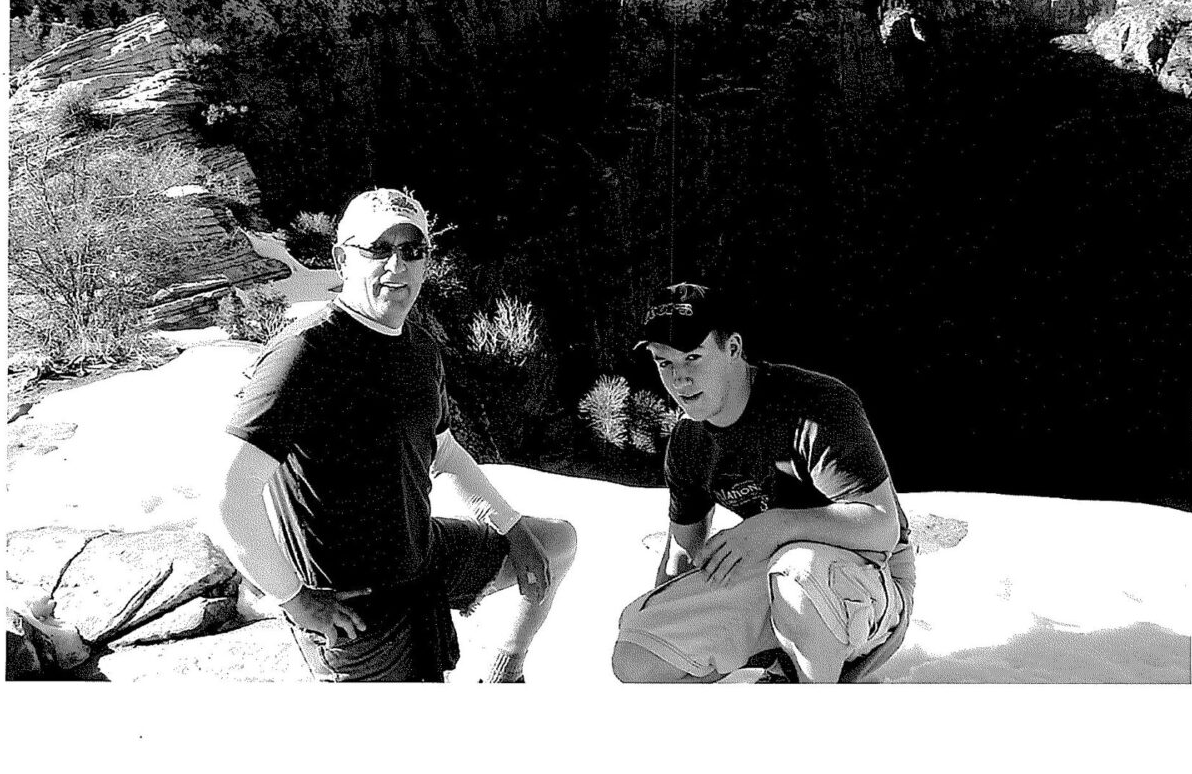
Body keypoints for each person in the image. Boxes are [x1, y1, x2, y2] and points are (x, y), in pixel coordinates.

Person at [212, 187, 577, 682]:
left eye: (412, 251)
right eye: (378, 250)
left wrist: (513, 529)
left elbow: (442, 450)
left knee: (554, 542)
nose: (396, 266)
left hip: (420, 560)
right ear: (342, 259)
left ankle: (503, 676)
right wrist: (294, 599)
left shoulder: (418, 348)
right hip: (354, 608)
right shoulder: (305, 355)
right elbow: (228, 494)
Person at [612, 282, 914, 683]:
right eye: (664, 363)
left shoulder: (815, 405)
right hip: (771, 578)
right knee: (636, 653)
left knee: (797, 571)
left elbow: (882, 527)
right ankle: (771, 669)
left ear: (733, 348)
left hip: (874, 581)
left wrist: (773, 527)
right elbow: (681, 557)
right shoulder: (688, 441)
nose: (680, 379)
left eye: (694, 357)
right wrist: (673, 625)